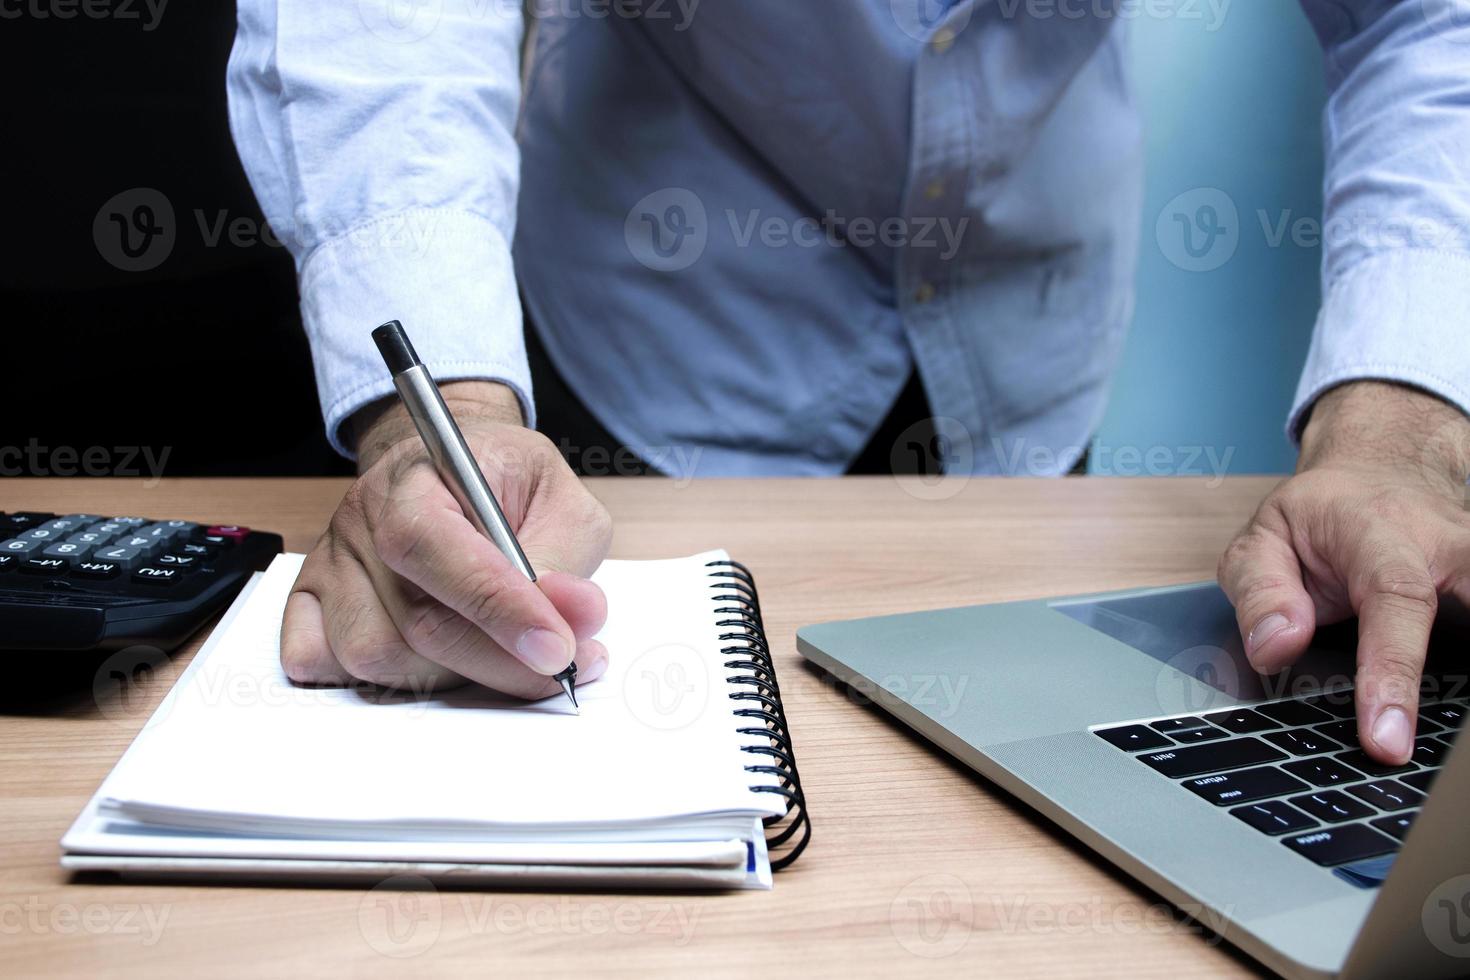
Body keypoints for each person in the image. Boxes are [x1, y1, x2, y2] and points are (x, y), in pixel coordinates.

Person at [228, 1, 1470, 764]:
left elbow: (1424, 14)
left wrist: (1405, 431)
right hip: (659, 313)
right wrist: (438, 402)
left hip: (1032, 330)